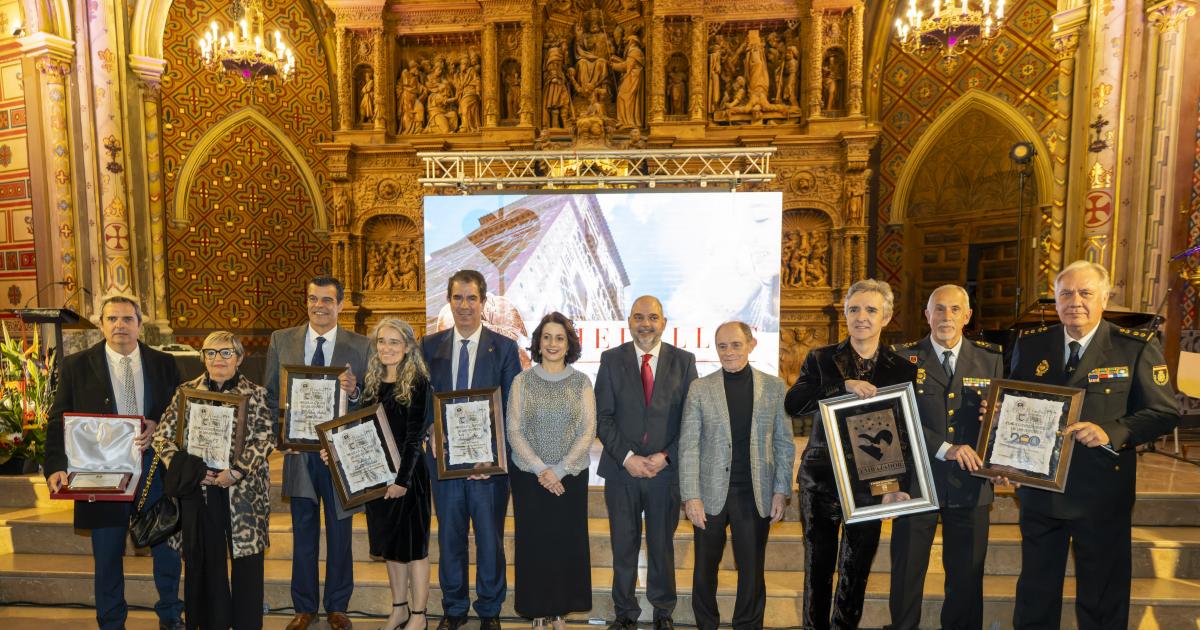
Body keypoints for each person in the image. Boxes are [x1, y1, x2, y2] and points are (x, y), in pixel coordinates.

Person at [1004, 260, 1177, 629]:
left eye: (1085, 293)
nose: (1075, 301)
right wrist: (999, 421)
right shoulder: (1032, 345)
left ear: (1104, 297)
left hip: (1100, 492)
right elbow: (1017, 403)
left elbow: (1164, 412)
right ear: (1055, 299)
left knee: (1102, 594)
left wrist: (1110, 431)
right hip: (1041, 491)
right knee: (1035, 592)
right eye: (1066, 293)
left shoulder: (1133, 347)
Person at [44, 294, 184, 630]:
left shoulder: (164, 363)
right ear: (101, 324)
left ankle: (170, 616)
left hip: (154, 469)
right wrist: (55, 466)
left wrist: (158, 426)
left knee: (166, 548)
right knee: (107, 554)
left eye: (127, 319)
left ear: (139, 323)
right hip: (100, 472)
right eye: (112, 319)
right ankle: (111, 622)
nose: (119, 325)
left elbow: (181, 414)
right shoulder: (77, 365)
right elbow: (57, 418)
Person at [784, 279, 917, 630]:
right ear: (845, 314)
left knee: (856, 571)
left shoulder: (902, 368)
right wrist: (841, 388)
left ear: (886, 317)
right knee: (819, 568)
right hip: (822, 478)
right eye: (854, 309)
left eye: (871, 310)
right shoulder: (821, 358)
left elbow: (904, 433)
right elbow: (794, 404)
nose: (862, 317)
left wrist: (894, 485)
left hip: (873, 482)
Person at [888, 285, 1003, 630]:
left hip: (971, 484)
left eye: (955, 310)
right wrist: (945, 448)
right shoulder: (901, 357)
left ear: (967, 316)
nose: (946, 317)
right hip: (917, 482)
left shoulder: (991, 357)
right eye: (939, 309)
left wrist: (998, 420)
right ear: (927, 314)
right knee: (907, 573)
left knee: (967, 577)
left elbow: (1003, 420)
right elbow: (897, 419)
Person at [263, 276, 369, 630]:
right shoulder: (282, 341)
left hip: (341, 456)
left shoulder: (360, 346)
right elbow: (270, 395)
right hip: (300, 454)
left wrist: (354, 391)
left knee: (340, 532)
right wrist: (283, 438)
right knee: (303, 530)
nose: (319, 306)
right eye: (312, 299)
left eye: (326, 300)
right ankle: (304, 607)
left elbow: (369, 401)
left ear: (340, 305)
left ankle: (338, 606)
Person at [421, 269, 522, 630]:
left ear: (484, 302)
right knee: (450, 538)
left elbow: (512, 407)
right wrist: (429, 428)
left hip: (487, 468)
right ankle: (454, 608)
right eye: (458, 297)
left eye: (472, 298)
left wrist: (492, 456)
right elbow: (421, 401)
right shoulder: (429, 347)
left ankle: (490, 611)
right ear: (448, 300)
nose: (465, 305)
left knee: (489, 540)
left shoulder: (505, 348)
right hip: (444, 465)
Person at [153, 331, 274, 630]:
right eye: (210, 352)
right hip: (201, 492)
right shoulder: (185, 392)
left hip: (243, 493)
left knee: (247, 565)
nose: (217, 359)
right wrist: (190, 469)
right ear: (202, 357)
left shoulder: (255, 393)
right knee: (207, 563)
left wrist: (236, 471)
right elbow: (162, 437)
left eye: (226, 353)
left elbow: (266, 437)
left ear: (240, 357)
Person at [679, 322, 795, 630]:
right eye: (722, 346)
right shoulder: (700, 389)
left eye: (735, 345)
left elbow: (784, 443)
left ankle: (748, 625)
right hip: (709, 494)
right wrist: (691, 496)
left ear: (751, 344)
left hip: (755, 494)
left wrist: (781, 491)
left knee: (752, 570)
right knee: (704, 570)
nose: (729, 352)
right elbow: (688, 445)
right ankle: (707, 624)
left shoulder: (774, 387)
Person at [595, 295, 698, 630]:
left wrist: (665, 456)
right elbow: (604, 418)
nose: (645, 324)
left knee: (661, 546)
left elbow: (690, 419)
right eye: (639, 317)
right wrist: (628, 459)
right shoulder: (611, 360)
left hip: (663, 474)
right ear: (629, 321)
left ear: (663, 322)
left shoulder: (684, 361)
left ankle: (663, 612)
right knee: (623, 545)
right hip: (622, 473)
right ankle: (624, 613)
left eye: (652, 317)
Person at [328, 319, 432, 630]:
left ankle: (419, 615)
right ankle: (399, 609)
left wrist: (401, 481)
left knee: (414, 549)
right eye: (382, 342)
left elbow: (415, 438)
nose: (387, 348)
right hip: (376, 478)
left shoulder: (417, 383)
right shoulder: (372, 383)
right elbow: (362, 431)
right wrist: (335, 449)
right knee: (391, 548)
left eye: (394, 342)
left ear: (408, 347)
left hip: (408, 479)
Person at [506, 312, 595, 629]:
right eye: (547, 337)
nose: (553, 343)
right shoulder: (522, 381)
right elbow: (514, 431)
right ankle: (538, 612)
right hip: (530, 478)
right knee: (535, 544)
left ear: (568, 343)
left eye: (559, 337)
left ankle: (560, 611)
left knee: (564, 542)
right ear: (538, 343)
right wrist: (543, 470)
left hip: (570, 477)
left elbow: (588, 431)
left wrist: (559, 470)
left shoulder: (581, 382)